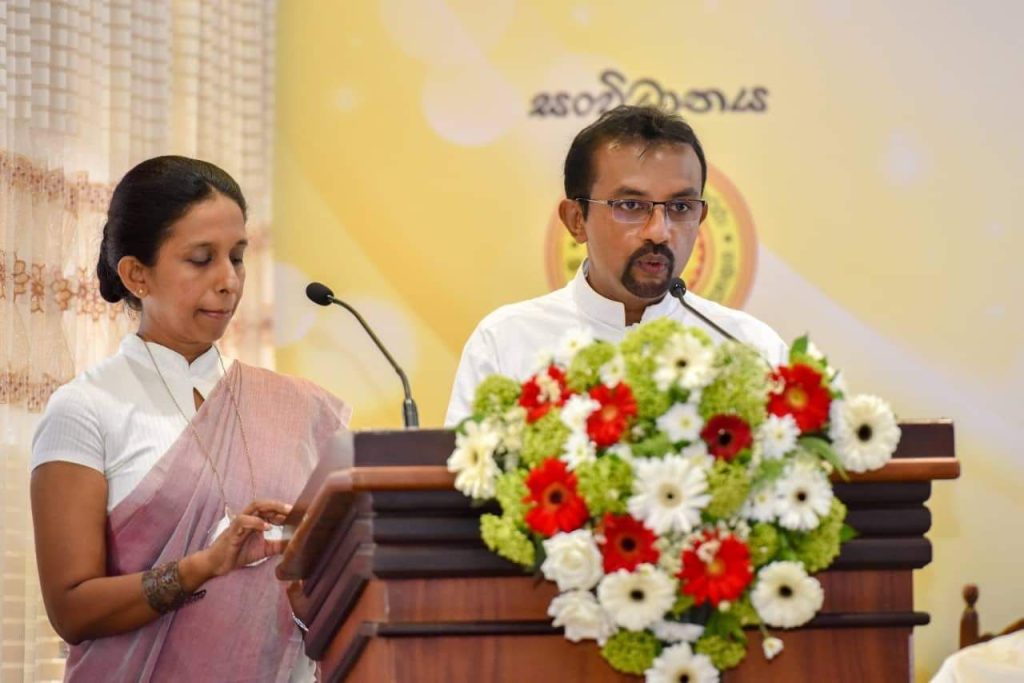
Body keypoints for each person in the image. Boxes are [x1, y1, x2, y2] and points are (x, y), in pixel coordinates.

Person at [30, 156, 350, 681]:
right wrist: (203, 566)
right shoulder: (86, 409)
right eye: (201, 259)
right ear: (136, 274)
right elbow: (72, 609)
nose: (229, 281)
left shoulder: (301, 408)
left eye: (238, 257)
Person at [446, 105, 787, 425]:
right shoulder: (506, 341)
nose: (659, 231)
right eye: (630, 206)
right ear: (576, 220)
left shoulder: (750, 349)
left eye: (681, 207)